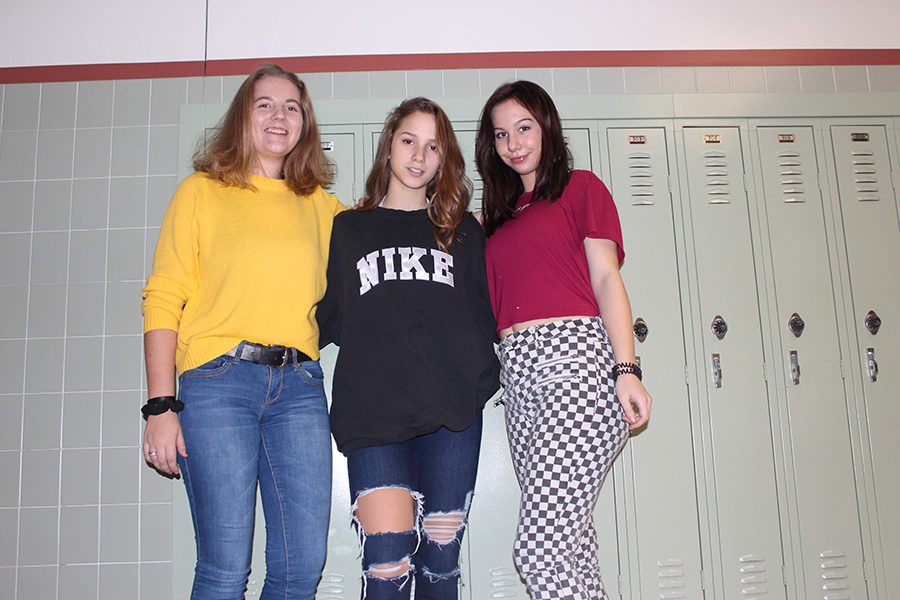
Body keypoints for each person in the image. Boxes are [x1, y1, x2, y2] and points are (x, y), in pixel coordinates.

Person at [140, 63, 344, 600]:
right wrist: (160, 407)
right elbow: (163, 297)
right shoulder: (201, 192)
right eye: (265, 105)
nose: (280, 116)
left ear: (305, 123)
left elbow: (382, 243)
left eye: (292, 107)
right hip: (218, 383)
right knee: (226, 566)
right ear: (242, 118)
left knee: (302, 568)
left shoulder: (321, 206)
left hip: (300, 389)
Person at [475, 80, 652, 600]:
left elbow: (605, 279)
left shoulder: (580, 188)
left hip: (576, 364)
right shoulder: (496, 220)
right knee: (572, 544)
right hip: (521, 380)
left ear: (547, 126)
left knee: (539, 548)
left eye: (524, 127)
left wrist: (627, 369)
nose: (515, 143)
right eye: (502, 135)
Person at [317, 97, 500, 599]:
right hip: (374, 420)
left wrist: (479, 384)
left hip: (452, 420)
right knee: (387, 562)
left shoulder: (463, 232)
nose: (419, 156)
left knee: (440, 562)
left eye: (433, 146)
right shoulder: (349, 229)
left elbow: (487, 316)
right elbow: (327, 317)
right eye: (408, 141)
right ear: (388, 146)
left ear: (445, 159)